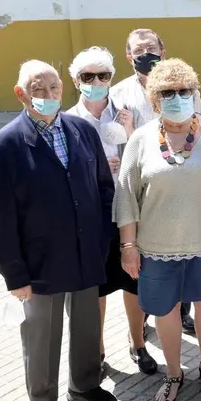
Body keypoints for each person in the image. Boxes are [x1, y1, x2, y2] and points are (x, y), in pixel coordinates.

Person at [0, 61, 118, 401]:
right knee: (42, 335)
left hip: (86, 251)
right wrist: (13, 273)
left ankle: (86, 385)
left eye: (53, 88)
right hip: (38, 261)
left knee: (88, 327)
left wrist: (104, 240)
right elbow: (0, 219)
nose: (47, 95)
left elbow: (104, 189)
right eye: (37, 89)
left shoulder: (81, 131)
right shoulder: (4, 146)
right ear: (21, 93)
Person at [113, 59, 201, 401]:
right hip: (157, 246)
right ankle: (173, 372)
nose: (177, 97)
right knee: (165, 309)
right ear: (154, 100)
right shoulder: (141, 138)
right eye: (168, 92)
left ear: (195, 93)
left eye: (184, 91)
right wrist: (128, 246)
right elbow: (126, 195)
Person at [66, 47, 157, 378]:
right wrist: (97, 167)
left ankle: (138, 344)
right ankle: (99, 350)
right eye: (88, 77)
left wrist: (132, 131)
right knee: (98, 287)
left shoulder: (127, 112)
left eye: (103, 76)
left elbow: (149, 156)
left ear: (111, 78)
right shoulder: (69, 121)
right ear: (77, 81)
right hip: (92, 213)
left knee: (134, 282)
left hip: (129, 207)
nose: (96, 82)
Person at [111, 28, 201, 334]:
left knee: (182, 246)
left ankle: (183, 310)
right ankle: (144, 318)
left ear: (163, 51)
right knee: (145, 250)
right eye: (138, 50)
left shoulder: (185, 85)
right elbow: (113, 136)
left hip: (179, 176)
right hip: (142, 178)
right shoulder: (119, 93)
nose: (145, 54)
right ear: (129, 57)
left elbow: (197, 125)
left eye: (151, 48)